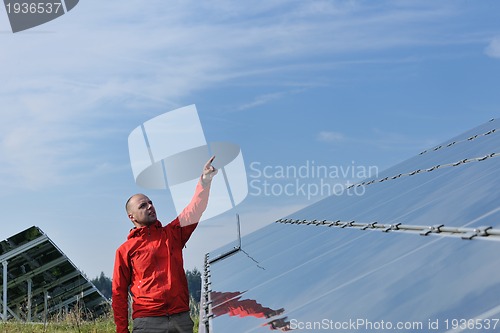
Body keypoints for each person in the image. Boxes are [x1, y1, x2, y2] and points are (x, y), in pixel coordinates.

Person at [112, 156, 218, 333]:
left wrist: (205, 181)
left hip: (180, 318)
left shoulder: (173, 233)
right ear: (132, 217)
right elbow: (119, 293)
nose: (150, 206)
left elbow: (194, 210)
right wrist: (122, 330)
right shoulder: (125, 250)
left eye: (151, 202)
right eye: (143, 205)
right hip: (147, 322)